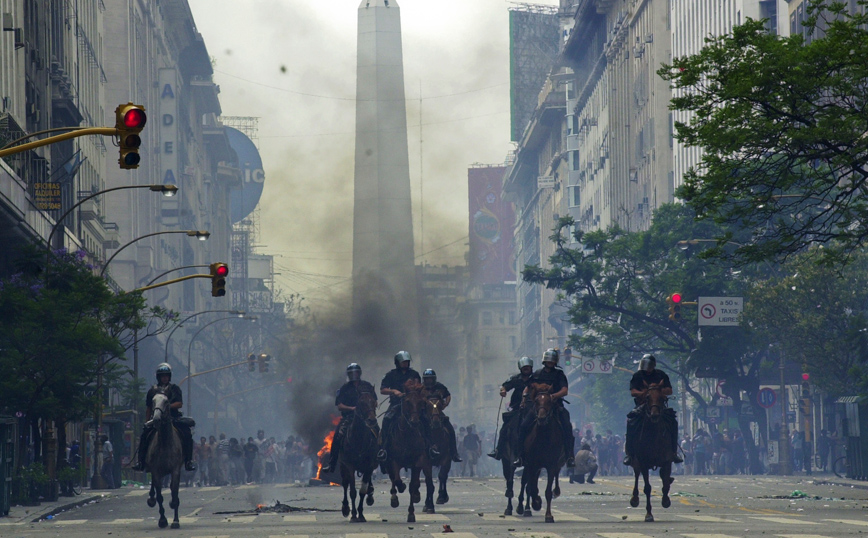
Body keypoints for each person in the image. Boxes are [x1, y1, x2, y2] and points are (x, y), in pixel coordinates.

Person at [515, 349, 576, 468]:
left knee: (567, 427)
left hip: (555, 405)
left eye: (552, 361)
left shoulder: (559, 374)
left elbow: (565, 390)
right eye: (548, 361)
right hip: (538, 406)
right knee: (523, 427)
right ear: (544, 361)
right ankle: (520, 456)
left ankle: (569, 456)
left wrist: (554, 396)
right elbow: (528, 387)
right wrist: (523, 399)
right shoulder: (537, 374)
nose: (550, 363)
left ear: (555, 362)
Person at [132, 363, 196, 472]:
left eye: (166, 376)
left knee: (187, 433)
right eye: (162, 376)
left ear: (169, 377)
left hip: (173, 418)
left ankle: (188, 461)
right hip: (156, 419)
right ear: (159, 377)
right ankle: (141, 462)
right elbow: (148, 408)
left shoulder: (175, 389)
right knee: (144, 436)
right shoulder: (152, 391)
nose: (165, 378)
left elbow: (179, 404)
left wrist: (166, 406)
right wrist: (147, 422)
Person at [378, 351, 439, 461]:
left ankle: (431, 446)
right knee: (386, 419)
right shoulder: (390, 375)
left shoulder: (414, 374)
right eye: (403, 362)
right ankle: (384, 449)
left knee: (425, 419)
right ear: (397, 362)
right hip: (397, 403)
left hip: (413, 404)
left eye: (407, 362)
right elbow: (382, 389)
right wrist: (394, 391)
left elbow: (419, 387)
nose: (405, 364)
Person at [623, 354, 683, 466]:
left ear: (654, 365)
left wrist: (657, 391)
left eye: (650, 365)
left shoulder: (661, 375)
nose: (648, 367)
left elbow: (669, 390)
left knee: (673, 422)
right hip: (642, 406)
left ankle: (674, 452)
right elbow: (633, 392)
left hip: (659, 405)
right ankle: (630, 454)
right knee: (631, 423)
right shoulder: (637, 376)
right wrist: (645, 393)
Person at [322, 363, 379, 473]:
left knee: (377, 430)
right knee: (338, 435)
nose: (354, 375)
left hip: (366, 417)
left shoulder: (367, 386)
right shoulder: (344, 388)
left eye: (356, 372)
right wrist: (352, 408)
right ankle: (332, 463)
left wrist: (370, 408)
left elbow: (374, 401)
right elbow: (339, 405)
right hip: (349, 417)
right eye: (352, 373)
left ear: (359, 373)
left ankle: (380, 456)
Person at [489, 357, 534, 460]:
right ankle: (498, 450)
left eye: (528, 367)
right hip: (517, 409)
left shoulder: (536, 378)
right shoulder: (515, 379)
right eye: (524, 368)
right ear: (520, 369)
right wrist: (503, 391)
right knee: (505, 428)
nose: (526, 369)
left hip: (533, 409)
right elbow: (504, 386)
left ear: (531, 368)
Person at [422, 369, 462, 463]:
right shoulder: (421, 388)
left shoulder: (440, 386)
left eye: (430, 379)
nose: (429, 381)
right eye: (427, 379)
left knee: (450, 429)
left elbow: (448, 395)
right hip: (424, 413)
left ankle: (454, 453)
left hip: (437, 412)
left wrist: (446, 404)